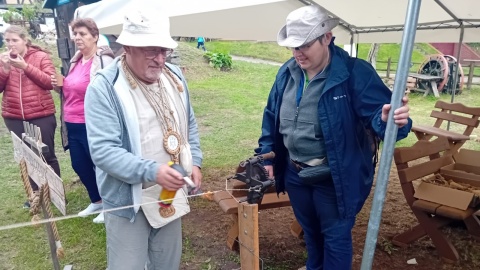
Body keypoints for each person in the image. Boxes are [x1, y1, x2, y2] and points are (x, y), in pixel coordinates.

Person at [255, 6, 412, 270]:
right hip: (296, 174)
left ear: (327, 37)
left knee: (335, 237)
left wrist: (387, 120)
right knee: (311, 231)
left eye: (304, 45)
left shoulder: (353, 73)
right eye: (293, 46)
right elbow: (272, 115)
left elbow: (381, 116)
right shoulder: (287, 71)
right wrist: (267, 154)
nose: (298, 53)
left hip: (334, 177)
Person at [84, 9, 202, 269]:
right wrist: (153, 171)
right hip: (128, 203)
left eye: (164, 50)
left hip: (170, 193)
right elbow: (104, 151)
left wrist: (196, 162)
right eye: (151, 50)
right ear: (127, 47)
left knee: (167, 264)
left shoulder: (174, 77)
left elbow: (188, 124)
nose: (160, 59)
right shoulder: (104, 88)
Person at [51, 18, 114, 224]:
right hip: (72, 122)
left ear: (95, 37)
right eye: (75, 34)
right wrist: (61, 85)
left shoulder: (103, 60)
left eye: (83, 34)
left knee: (101, 165)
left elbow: (108, 91)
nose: (77, 38)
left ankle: (110, 204)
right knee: (80, 165)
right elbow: (72, 89)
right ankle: (96, 201)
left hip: (92, 123)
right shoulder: (75, 61)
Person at [0, 25, 60, 206]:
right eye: (7, 40)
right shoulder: (3, 59)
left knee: (45, 154)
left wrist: (25, 67)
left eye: (15, 40)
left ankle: (55, 192)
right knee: (26, 156)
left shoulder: (40, 57)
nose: (11, 44)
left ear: (24, 40)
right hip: (14, 115)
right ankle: (36, 194)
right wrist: (5, 70)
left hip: (41, 113)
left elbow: (50, 82)